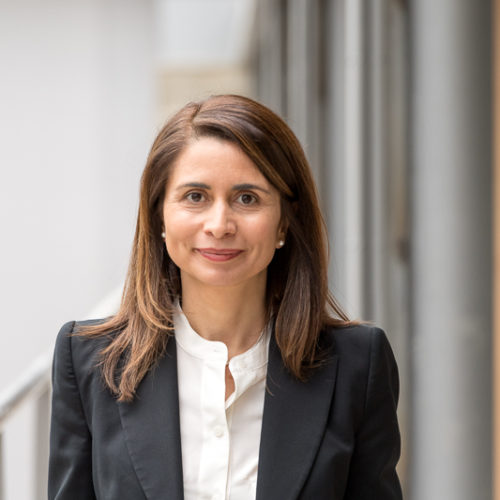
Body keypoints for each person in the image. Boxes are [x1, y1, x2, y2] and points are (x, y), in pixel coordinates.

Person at [48, 94, 402, 500]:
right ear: (159, 214)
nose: (219, 225)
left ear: (286, 221)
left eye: (247, 198)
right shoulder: (89, 361)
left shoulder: (358, 364)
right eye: (195, 196)